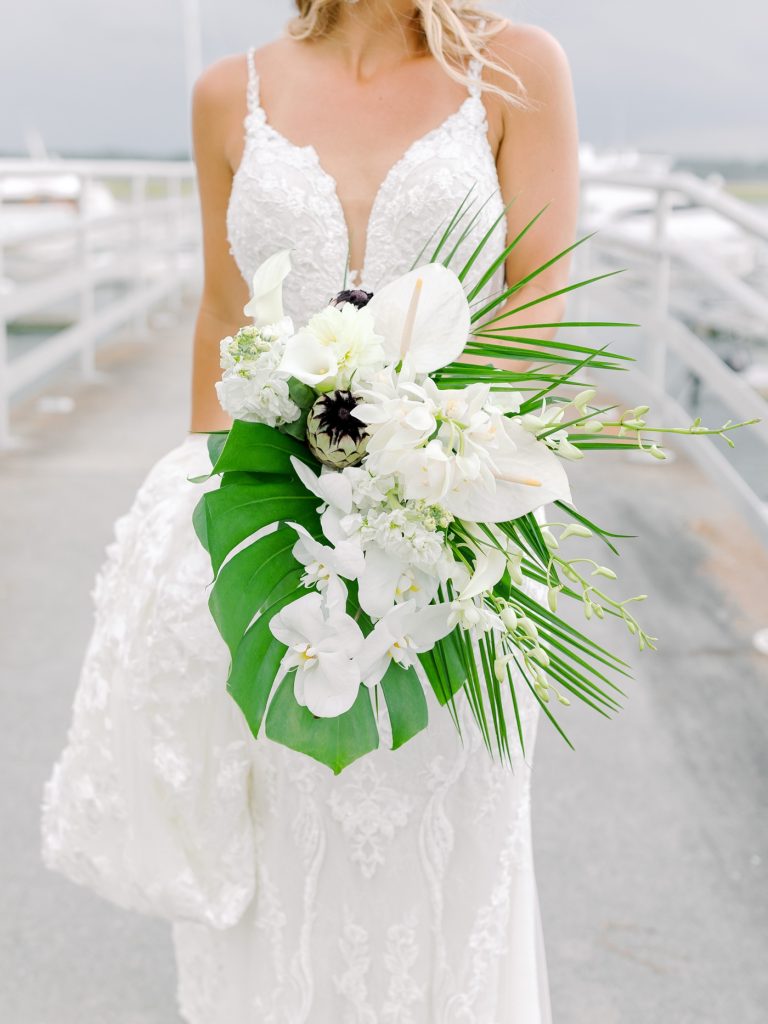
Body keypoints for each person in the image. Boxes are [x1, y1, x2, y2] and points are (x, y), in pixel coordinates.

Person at [42, 1, 579, 1020]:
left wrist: (426, 465)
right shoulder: (226, 94)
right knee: (283, 865)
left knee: (444, 876)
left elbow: (539, 310)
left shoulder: (518, 70)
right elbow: (224, 313)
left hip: (455, 537)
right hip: (282, 554)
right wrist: (205, 522)